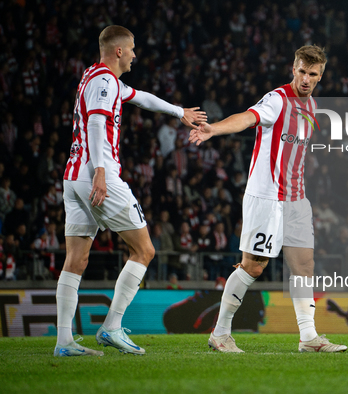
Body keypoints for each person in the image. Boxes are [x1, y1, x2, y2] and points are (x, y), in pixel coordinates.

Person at [54, 25, 206, 357]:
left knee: (76, 259)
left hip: (73, 176)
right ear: (119, 50)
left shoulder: (95, 77)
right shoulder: (104, 81)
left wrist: (179, 112)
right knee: (145, 251)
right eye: (133, 48)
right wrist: (101, 174)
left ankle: (64, 341)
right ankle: (110, 327)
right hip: (97, 177)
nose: (136, 54)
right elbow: (95, 123)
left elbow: (142, 98)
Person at [189, 45, 346, 353]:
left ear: (320, 76)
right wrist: (215, 129)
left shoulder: (312, 107)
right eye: (301, 71)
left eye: (312, 74)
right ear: (293, 68)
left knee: (304, 267)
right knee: (253, 266)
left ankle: (308, 338)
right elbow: (247, 118)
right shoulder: (277, 99)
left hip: (296, 199)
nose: (305, 79)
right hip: (267, 196)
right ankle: (220, 333)